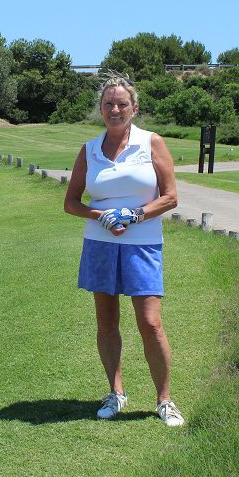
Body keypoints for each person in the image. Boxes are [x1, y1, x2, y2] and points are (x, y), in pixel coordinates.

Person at [63, 73, 184, 427]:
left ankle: (164, 399)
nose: (115, 109)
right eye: (108, 104)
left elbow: (171, 196)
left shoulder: (152, 143)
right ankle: (115, 392)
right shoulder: (89, 149)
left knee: (150, 322)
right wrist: (101, 215)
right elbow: (71, 203)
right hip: (100, 243)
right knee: (107, 322)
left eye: (122, 104)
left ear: (134, 108)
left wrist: (134, 214)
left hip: (142, 243)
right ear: (101, 108)